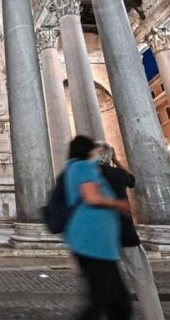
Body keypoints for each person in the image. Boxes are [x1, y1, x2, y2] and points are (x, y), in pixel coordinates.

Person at [63, 136, 131, 320]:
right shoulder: (85, 167)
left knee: (106, 298)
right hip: (94, 241)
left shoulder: (72, 168)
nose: (96, 152)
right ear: (88, 151)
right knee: (112, 300)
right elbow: (92, 197)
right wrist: (118, 204)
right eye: (93, 149)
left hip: (87, 240)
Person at [100, 144, 165, 320]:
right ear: (108, 157)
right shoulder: (118, 174)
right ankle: (155, 317)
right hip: (126, 234)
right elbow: (132, 179)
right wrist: (116, 161)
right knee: (144, 280)